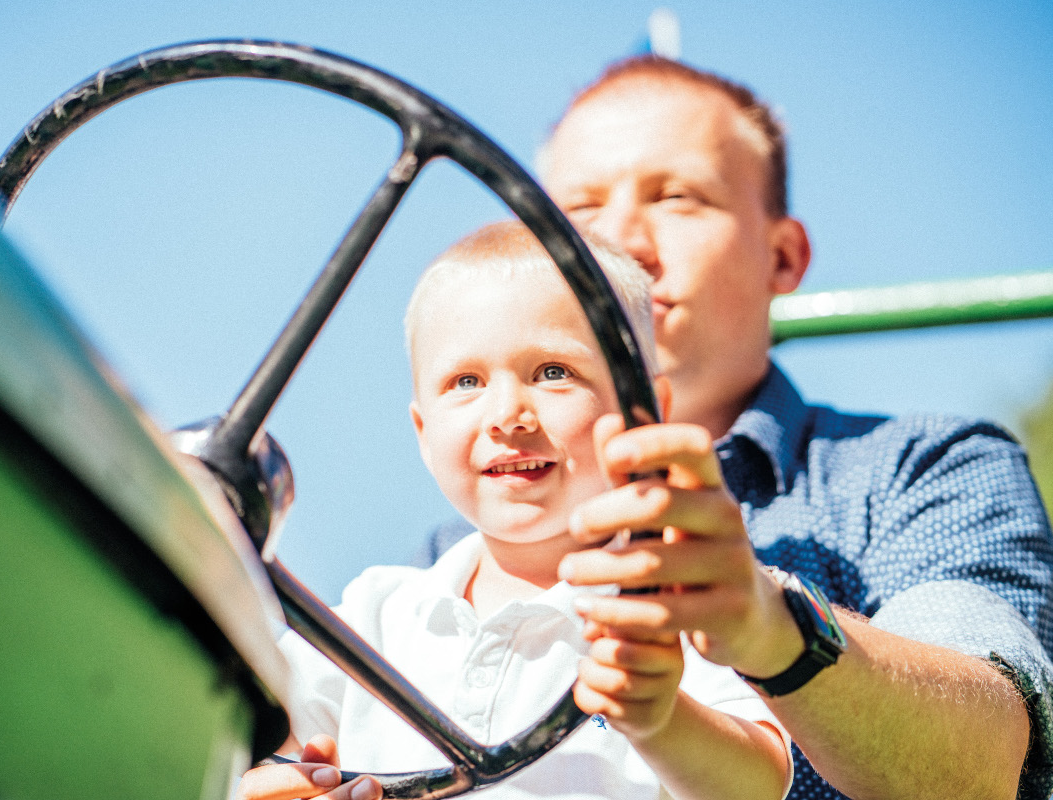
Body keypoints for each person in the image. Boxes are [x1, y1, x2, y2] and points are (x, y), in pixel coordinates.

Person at [419, 56, 1053, 800]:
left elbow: (978, 770)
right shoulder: (455, 559)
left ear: (783, 256)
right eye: (579, 212)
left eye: (678, 198)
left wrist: (767, 624)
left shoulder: (921, 469)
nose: (621, 244)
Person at [239, 221, 795, 800]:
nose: (507, 413)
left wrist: (662, 719)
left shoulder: (678, 603)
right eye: (466, 381)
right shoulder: (371, 620)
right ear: (424, 433)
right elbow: (238, 744)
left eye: (553, 373)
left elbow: (758, 783)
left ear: (647, 411)